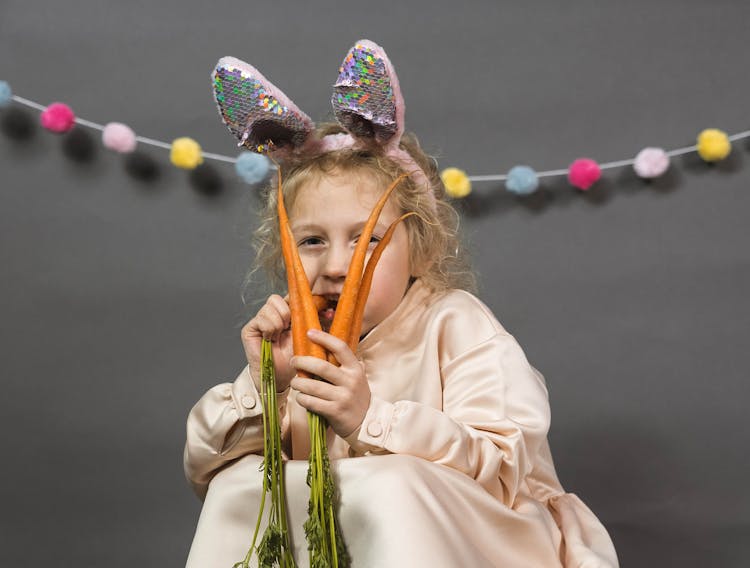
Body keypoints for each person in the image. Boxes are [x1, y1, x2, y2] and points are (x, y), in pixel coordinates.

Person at [184, 40, 619, 567]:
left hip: (492, 539)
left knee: (391, 483)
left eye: (367, 240)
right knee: (238, 484)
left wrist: (370, 419)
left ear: (420, 249)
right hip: (351, 547)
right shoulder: (294, 339)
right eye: (313, 241)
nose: (336, 265)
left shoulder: (454, 321)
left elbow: (503, 468)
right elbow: (203, 469)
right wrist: (263, 386)